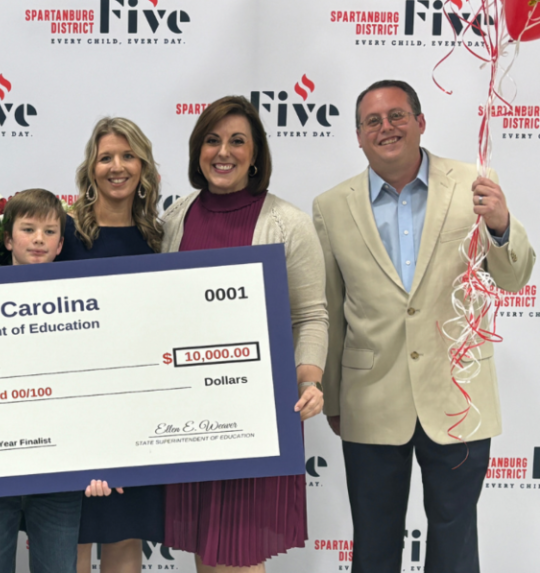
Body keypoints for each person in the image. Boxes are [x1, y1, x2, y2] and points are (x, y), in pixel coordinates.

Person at [312, 79, 535, 573]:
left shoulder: (474, 183)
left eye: (397, 116)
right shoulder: (331, 206)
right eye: (372, 120)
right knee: (373, 544)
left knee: (455, 548)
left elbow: (515, 276)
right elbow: (329, 308)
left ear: (420, 122)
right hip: (369, 400)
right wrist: (332, 395)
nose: (385, 127)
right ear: (358, 135)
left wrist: (500, 224)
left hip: (458, 396)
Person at [160, 95, 327, 573]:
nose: (223, 152)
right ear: (198, 150)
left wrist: (309, 378)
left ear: (256, 154)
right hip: (189, 410)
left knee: (238, 554)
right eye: (212, 140)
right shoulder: (177, 217)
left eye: (237, 141)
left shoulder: (287, 223)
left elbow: (312, 315)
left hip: (257, 414)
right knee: (205, 551)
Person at [0, 188, 83, 573]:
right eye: (28, 229)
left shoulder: (85, 302)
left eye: (49, 231)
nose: (39, 239)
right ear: (8, 239)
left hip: (61, 472)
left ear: (61, 244)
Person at [55, 117, 165, 573]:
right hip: (71, 413)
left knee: (124, 535)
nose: (117, 166)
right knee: (71, 539)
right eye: (106, 158)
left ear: (143, 168)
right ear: (90, 168)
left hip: (135, 415)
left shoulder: (160, 239)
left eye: (127, 156)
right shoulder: (62, 234)